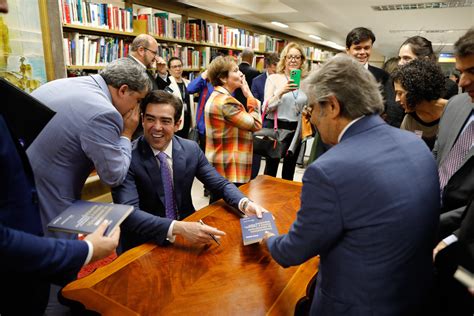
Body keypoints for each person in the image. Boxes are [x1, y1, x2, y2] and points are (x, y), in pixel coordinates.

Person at [263, 54, 439, 315]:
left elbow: (293, 251)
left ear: (332, 106)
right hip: (414, 295)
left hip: (356, 304)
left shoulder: (330, 169)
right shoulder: (415, 144)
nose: (311, 119)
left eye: (312, 109)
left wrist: (267, 240)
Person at [0, 2, 119, 314]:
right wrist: (87, 250)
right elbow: (114, 176)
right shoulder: (104, 112)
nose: (5, 6)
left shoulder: (61, 86)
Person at [112, 90, 266, 251]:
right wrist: (179, 228)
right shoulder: (126, 157)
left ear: (178, 124)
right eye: (150, 119)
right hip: (142, 241)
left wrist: (245, 203)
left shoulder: (190, 149)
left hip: (188, 234)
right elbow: (129, 214)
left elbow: (219, 184)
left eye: (165, 121)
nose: (156, 127)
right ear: (142, 120)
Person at [26, 58, 147, 240]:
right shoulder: (105, 113)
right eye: (137, 100)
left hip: (21, 178)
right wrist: (127, 134)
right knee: (59, 256)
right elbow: (113, 175)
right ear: (123, 90)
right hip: (48, 194)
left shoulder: (65, 83)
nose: (136, 109)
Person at [432, 28, 474, 315]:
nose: (464, 82)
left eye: (473, 71)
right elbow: (438, 154)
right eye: (461, 72)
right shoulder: (457, 103)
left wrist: (447, 234)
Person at [205, 56, 262, 202]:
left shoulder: (216, 96)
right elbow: (255, 124)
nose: (241, 74)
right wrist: (249, 95)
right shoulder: (227, 102)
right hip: (230, 170)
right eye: (236, 70)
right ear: (224, 78)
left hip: (221, 167)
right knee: (228, 213)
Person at [263, 42, 307, 180]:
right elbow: (266, 107)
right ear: (284, 59)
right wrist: (281, 92)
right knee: (271, 169)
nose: (293, 60)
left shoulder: (306, 82)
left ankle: (285, 201)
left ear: (302, 60)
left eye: (297, 57)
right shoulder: (274, 79)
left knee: (289, 170)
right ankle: (266, 199)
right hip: (276, 128)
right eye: (290, 57)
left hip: (296, 130)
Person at [345, 27, 397, 125]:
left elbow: (391, 108)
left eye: (366, 48)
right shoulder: (338, 75)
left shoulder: (383, 76)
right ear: (348, 50)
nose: (362, 52)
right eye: (357, 48)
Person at [392, 59, 447, 149]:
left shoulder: (454, 111)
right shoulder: (409, 121)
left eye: (400, 93)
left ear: (416, 91)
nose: (396, 99)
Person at [398, 35, 459, 100]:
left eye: (406, 58)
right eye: (399, 58)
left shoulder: (447, 86)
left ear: (425, 60)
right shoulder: (398, 83)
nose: (400, 63)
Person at [250, 52, 279, 178]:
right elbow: (254, 103)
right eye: (274, 65)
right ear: (267, 65)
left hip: (277, 124)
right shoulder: (257, 81)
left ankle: (269, 180)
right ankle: (253, 179)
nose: (276, 68)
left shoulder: (282, 80)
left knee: (272, 159)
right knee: (256, 155)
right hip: (261, 123)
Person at [167, 56, 194, 139]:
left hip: (187, 120)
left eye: (179, 66)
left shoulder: (188, 83)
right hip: (176, 120)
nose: (178, 69)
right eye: (174, 67)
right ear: (169, 69)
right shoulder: (167, 83)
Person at [187, 69, 214, 152]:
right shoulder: (205, 81)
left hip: (216, 128)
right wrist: (203, 75)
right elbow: (190, 89)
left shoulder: (225, 83)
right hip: (203, 126)